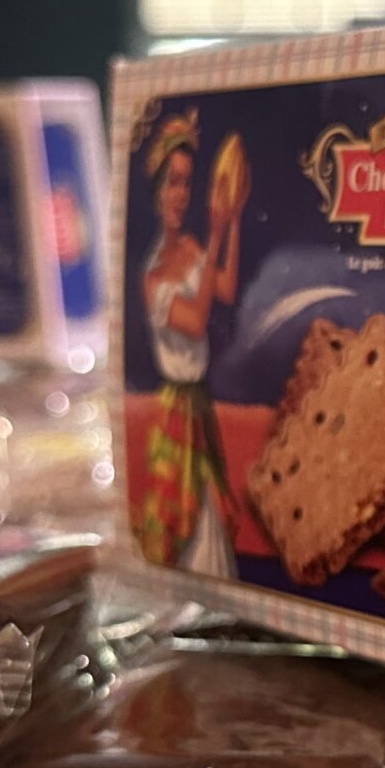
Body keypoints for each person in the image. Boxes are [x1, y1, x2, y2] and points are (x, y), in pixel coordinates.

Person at [134, 108, 244, 575]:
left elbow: (225, 288)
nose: (181, 194)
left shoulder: (191, 249)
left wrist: (232, 220)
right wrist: (216, 234)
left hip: (199, 404)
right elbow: (196, 322)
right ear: (156, 192)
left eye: (186, 183)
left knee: (209, 506)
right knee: (185, 508)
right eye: (172, 183)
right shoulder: (154, 275)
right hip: (178, 406)